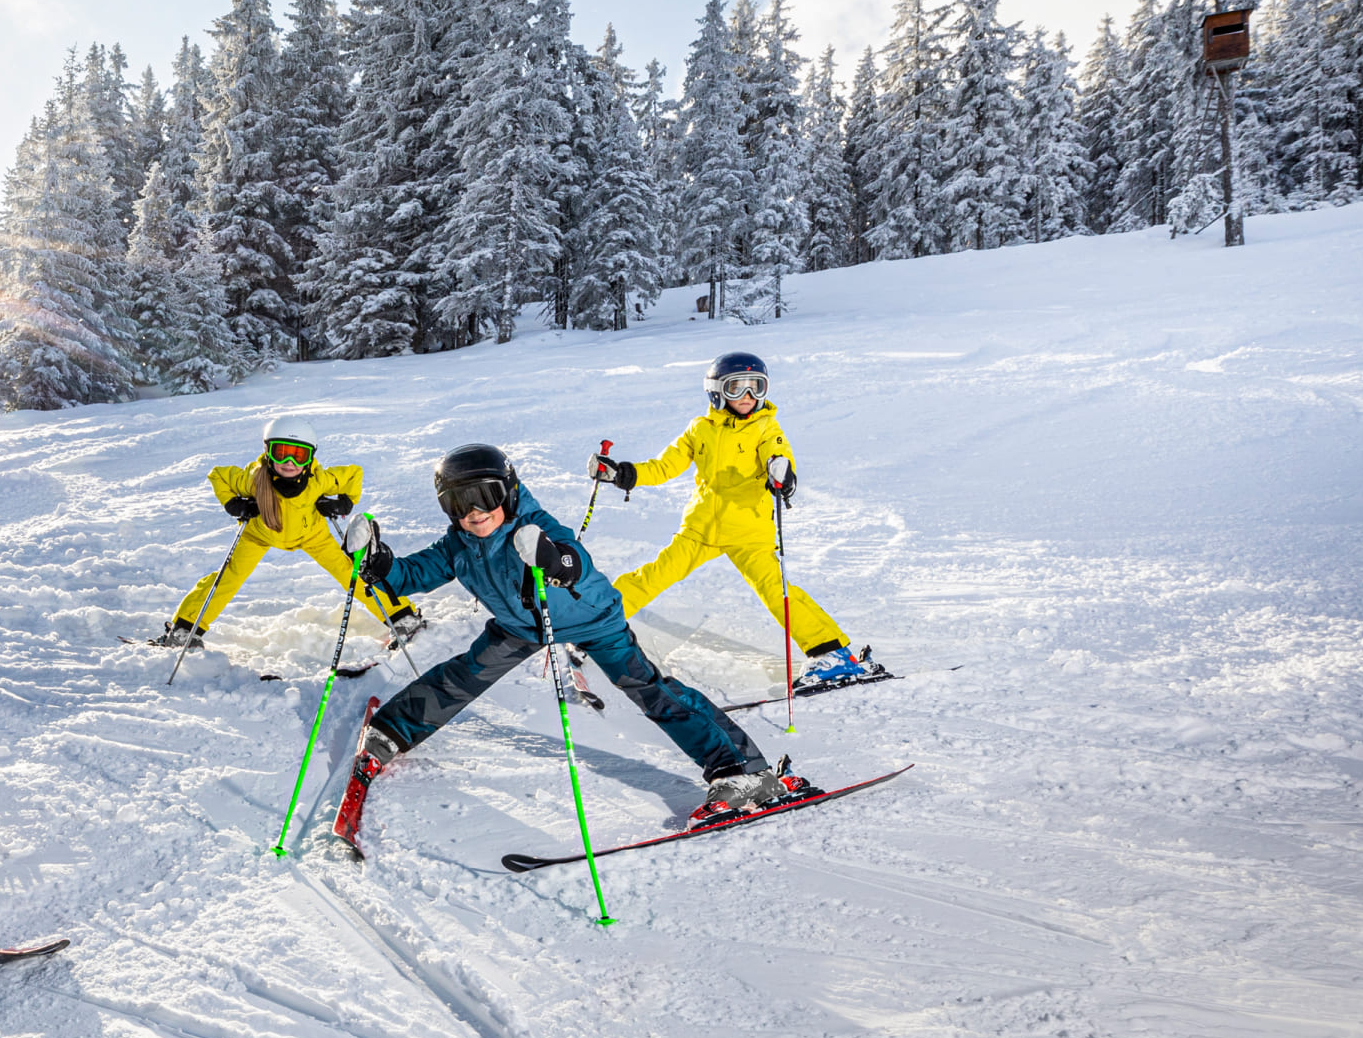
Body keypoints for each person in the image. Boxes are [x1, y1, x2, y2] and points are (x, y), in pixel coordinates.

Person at [342, 444, 799, 827]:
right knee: (464, 675)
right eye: (460, 503)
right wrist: (376, 562)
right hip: (521, 627)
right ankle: (392, 732)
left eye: (486, 496)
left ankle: (741, 770)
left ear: (511, 491)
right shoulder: (458, 545)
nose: (476, 512)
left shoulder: (534, 528)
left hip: (592, 620)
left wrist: (551, 559)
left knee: (649, 690)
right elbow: (406, 577)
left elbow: (571, 559)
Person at [589, 352, 879, 687]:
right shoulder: (700, 429)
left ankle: (833, 653)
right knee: (653, 575)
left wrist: (781, 473)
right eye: (737, 388)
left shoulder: (766, 426)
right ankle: (594, 622)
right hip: (700, 530)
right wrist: (624, 474)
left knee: (777, 591)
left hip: (749, 531)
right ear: (716, 392)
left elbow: (779, 454)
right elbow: (665, 466)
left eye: (756, 388)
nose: (748, 397)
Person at [153, 414, 425, 649]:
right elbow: (219, 475)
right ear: (268, 452)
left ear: (310, 457)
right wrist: (233, 503)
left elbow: (354, 474)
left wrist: (344, 501)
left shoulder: (319, 480)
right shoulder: (252, 478)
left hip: (312, 535)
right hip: (259, 534)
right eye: (281, 452)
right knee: (228, 578)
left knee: (351, 572)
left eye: (299, 455)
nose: (289, 461)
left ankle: (401, 616)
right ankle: (184, 629)